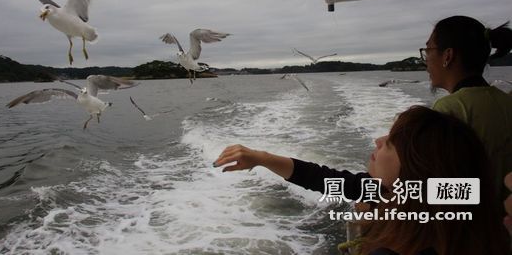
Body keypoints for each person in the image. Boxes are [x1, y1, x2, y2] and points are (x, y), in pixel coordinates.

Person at [214, 106, 510, 255]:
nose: (379, 140)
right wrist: (263, 158)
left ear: (417, 167)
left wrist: (367, 230)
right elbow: (325, 178)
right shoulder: (448, 195)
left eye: (392, 142)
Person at [421, 15, 512, 202]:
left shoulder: (449, 108)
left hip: (475, 225)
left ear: (447, 56)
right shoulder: (506, 101)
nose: (426, 60)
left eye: (428, 50)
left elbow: (444, 191)